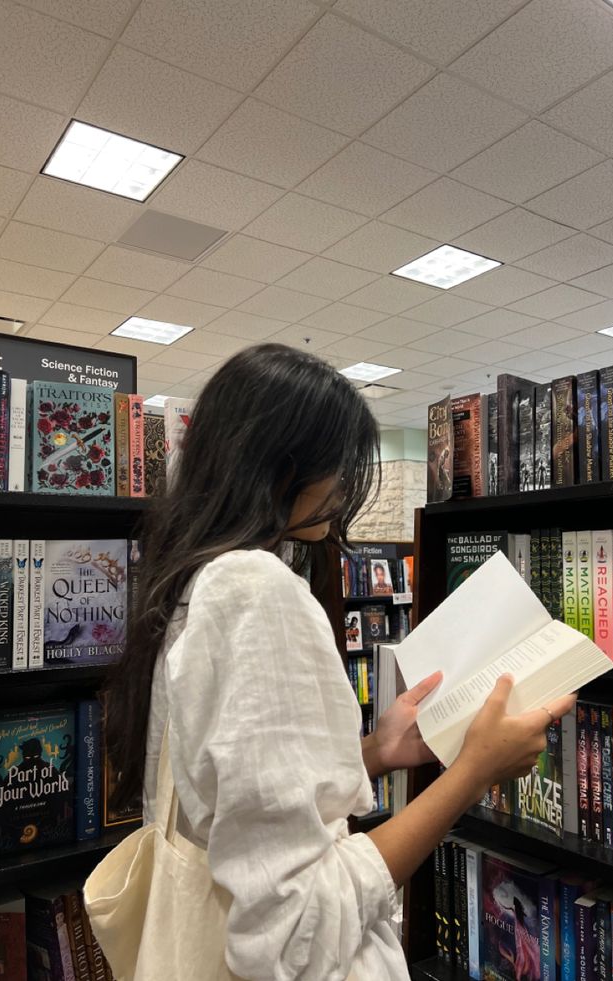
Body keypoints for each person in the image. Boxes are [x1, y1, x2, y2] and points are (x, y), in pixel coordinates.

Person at [104, 343, 575, 981]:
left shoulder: (195, 580)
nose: (341, 489)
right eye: (338, 464)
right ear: (287, 465)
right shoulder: (255, 589)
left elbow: (236, 794)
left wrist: (375, 751)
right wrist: (471, 773)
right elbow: (296, 926)